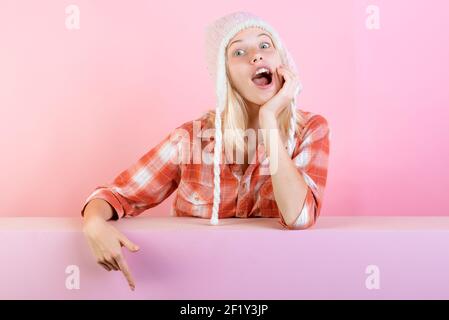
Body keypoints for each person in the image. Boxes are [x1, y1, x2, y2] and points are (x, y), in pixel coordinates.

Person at [81, 11, 330, 291]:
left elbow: (300, 218)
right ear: (225, 76)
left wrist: (269, 118)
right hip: (195, 290)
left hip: (275, 287)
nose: (256, 57)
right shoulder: (190, 139)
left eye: (264, 45)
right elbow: (117, 195)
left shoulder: (310, 130)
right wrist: (93, 223)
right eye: (239, 51)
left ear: (281, 61)